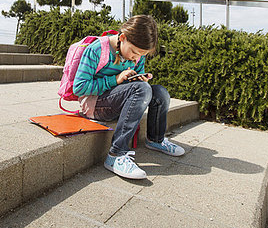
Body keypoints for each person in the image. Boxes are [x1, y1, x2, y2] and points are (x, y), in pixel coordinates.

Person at [73, 15, 185, 180]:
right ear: (123, 37)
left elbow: (136, 84)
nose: (136, 58)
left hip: (120, 101)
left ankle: (155, 140)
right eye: (134, 52)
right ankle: (116, 155)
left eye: (142, 55)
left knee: (160, 92)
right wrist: (116, 79)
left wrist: (139, 79)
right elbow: (79, 87)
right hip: (94, 104)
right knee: (142, 90)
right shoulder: (97, 50)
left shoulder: (137, 56)